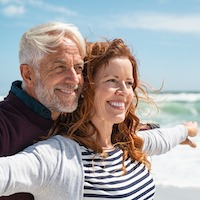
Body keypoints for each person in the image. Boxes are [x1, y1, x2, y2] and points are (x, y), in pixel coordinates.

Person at [0, 39, 198, 200]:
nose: (124, 92)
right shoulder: (57, 157)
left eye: (128, 83)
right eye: (112, 80)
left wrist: (186, 130)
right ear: (86, 88)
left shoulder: (128, 143)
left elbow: (162, 139)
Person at [0, 21, 86, 200]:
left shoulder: (75, 120)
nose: (74, 79)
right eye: (59, 67)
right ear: (28, 75)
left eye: (78, 67)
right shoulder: (3, 125)